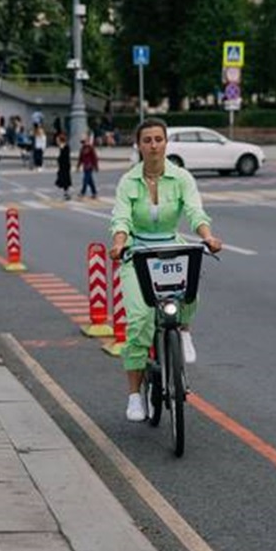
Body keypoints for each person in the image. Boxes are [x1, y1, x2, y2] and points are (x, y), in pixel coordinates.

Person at [109, 118, 223, 422]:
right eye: (147, 140)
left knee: (190, 290)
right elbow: (121, 219)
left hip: (171, 248)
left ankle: (183, 332)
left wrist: (207, 237)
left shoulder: (182, 177)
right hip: (138, 253)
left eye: (159, 139)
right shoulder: (128, 182)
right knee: (139, 320)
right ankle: (135, 395)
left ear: (166, 143)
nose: (154, 145)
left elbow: (195, 211)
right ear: (139, 146)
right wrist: (119, 243)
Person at [54, 133, 72, 200]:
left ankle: (67, 194)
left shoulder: (66, 147)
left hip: (65, 167)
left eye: (58, 140)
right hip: (62, 166)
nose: (57, 142)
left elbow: (65, 157)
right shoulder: (62, 147)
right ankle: (66, 193)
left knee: (65, 180)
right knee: (62, 180)